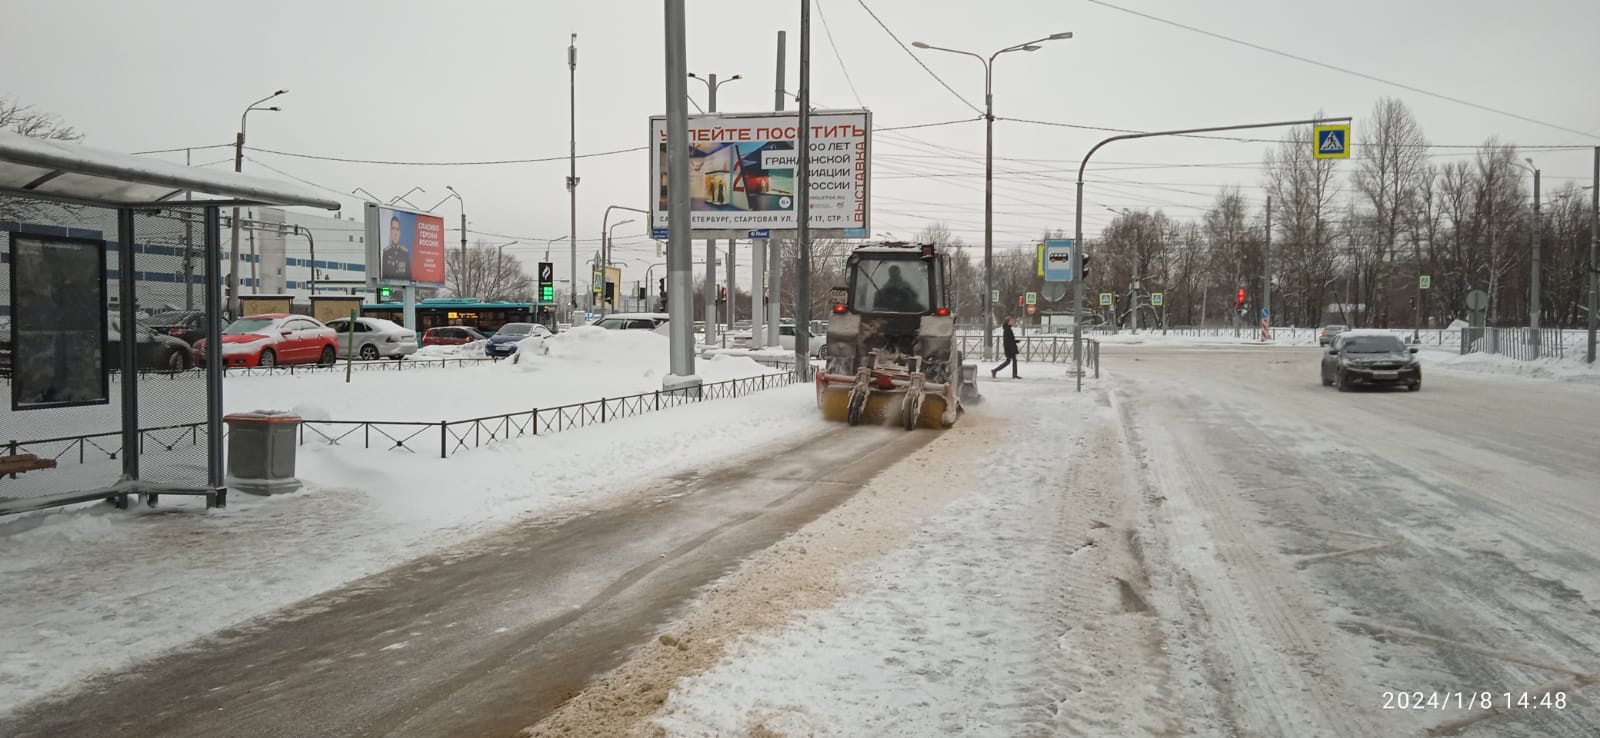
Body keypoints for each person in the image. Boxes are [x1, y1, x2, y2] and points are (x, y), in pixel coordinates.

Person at [381, 215, 411, 281]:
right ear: (390, 231)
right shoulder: (386, 251)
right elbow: (384, 276)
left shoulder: (405, 252)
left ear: (400, 232)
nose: (395, 233)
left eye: (397, 229)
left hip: (403, 287)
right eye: (393, 228)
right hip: (390, 287)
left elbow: (409, 277)